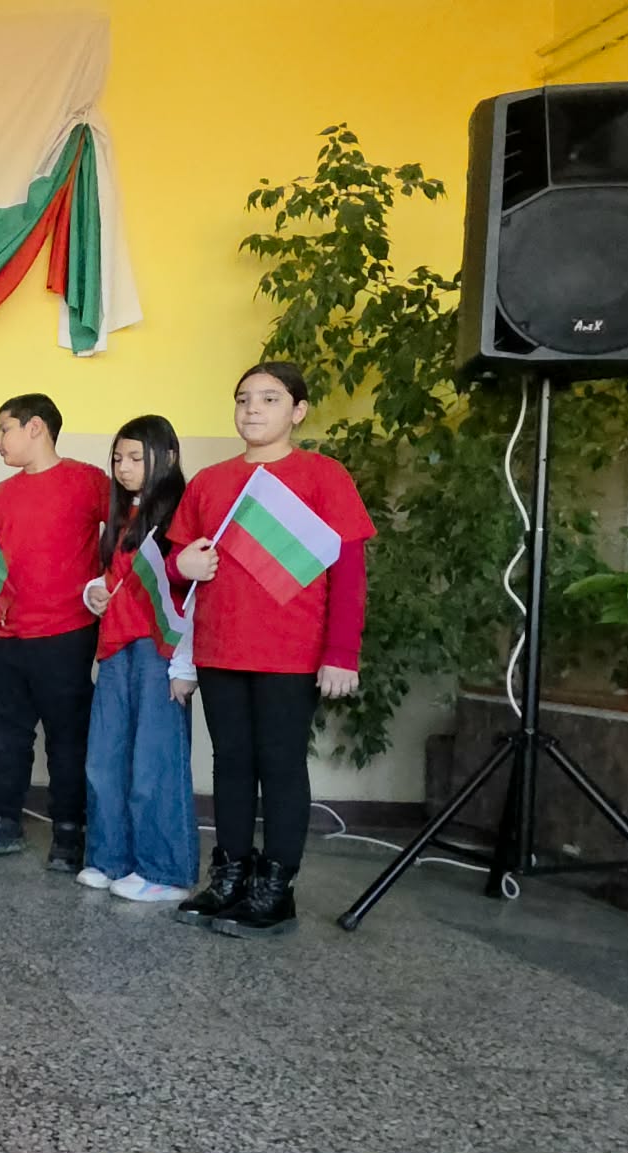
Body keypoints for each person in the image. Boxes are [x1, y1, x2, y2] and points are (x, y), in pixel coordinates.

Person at [170, 362, 374, 938]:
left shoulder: (323, 475)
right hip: (219, 647)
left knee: (280, 766)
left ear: (298, 411)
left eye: (269, 399)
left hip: (291, 651)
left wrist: (341, 652)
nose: (252, 409)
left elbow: (349, 573)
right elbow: (179, 566)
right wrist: (180, 565)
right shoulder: (209, 482)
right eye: (243, 399)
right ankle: (231, 875)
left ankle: (275, 888)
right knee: (230, 764)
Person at [0, 393, 110, 870]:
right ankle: (1, 819)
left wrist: (107, 584)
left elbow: (129, 537)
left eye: (4, 428)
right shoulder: (2, 494)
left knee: (67, 737)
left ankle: (70, 830)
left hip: (64, 633)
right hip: (3, 636)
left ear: (35, 428)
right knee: (7, 734)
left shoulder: (88, 481)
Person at [77, 415, 197, 901]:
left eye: (135, 458)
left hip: (160, 651)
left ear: (167, 458)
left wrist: (184, 666)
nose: (123, 468)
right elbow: (112, 579)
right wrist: (93, 593)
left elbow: (193, 596)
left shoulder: (184, 514)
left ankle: (164, 871)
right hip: (115, 647)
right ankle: (109, 858)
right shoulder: (123, 514)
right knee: (104, 760)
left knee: (154, 763)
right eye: (117, 458)